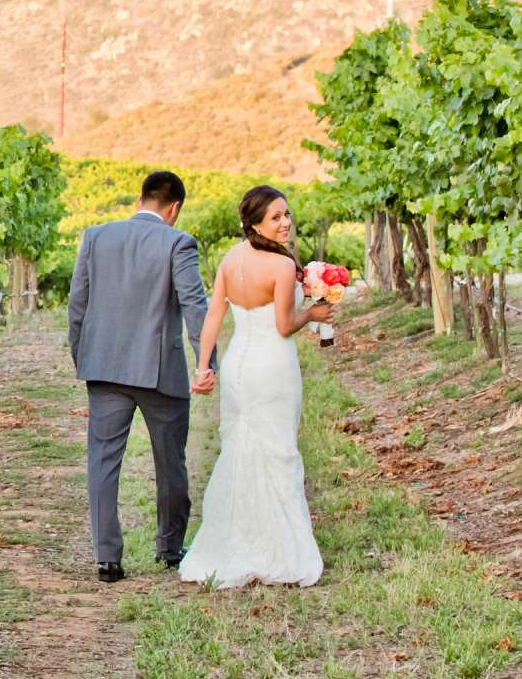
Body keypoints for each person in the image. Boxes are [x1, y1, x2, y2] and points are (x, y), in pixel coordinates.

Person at [178, 183, 329, 589]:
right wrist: (312, 312)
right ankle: (282, 548)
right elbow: (283, 325)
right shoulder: (280, 267)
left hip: (237, 368)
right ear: (255, 223)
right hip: (272, 366)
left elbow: (213, 317)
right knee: (279, 451)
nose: (285, 223)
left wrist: (203, 365)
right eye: (275, 217)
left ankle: (234, 540)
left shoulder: (229, 261)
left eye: (286, 214)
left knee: (241, 449)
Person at [65, 169, 213, 583]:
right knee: (171, 463)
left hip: (104, 367)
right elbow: (194, 306)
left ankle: (106, 558)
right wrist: (205, 362)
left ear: (141, 199)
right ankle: (168, 547)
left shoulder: (96, 236)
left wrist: (85, 357)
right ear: (175, 208)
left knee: (103, 462)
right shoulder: (178, 242)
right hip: (159, 370)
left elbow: (78, 304)